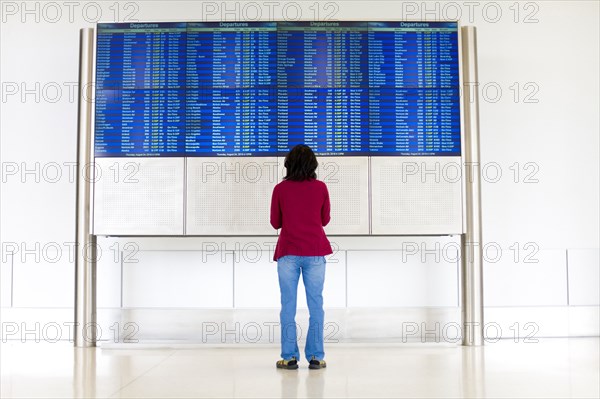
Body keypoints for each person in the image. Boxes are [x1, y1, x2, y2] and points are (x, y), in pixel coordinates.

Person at [270, 144, 333, 370]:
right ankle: (316, 357)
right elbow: (325, 220)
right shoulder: (321, 188)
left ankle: (289, 358)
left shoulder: (280, 189)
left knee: (288, 305)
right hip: (315, 252)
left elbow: (275, 222)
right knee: (316, 304)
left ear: (289, 164)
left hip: (288, 252)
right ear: (312, 164)